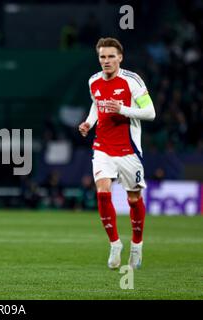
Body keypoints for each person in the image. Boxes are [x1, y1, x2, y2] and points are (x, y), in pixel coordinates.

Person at [78, 38, 156, 270]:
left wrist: (122, 109)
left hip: (129, 150)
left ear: (120, 57)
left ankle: (137, 246)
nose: (106, 61)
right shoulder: (93, 81)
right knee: (103, 193)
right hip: (102, 147)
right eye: (102, 56)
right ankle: (114, 244)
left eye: (111, 56)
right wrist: (89, 123)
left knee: (133, 199)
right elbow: (96, 104)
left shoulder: (132, 81)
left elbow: (150, 112)